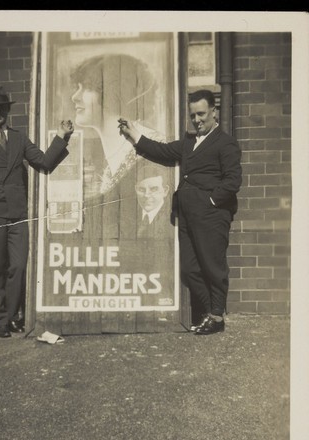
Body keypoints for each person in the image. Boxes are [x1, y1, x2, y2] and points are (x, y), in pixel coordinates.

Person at [119, 89, 242, 335]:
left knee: (213, 267)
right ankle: (210, 313)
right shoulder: (188, 142)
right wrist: (135, 137)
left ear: (214, 112)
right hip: (186, 215)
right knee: (189, 268)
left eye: (202, 114)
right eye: (193, 115)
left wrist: (209, 201)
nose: (197, 120)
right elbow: (162, 151)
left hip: (211, 215)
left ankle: (216, 317)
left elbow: (233, 181)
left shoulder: (225, 143)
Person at [0, 86, 74, 338]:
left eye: (3, 108)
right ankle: (1, 321)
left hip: (19, 214)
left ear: (8, 110)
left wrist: (62, 136)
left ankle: (12, 317)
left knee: (18, 267)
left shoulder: (19, 139)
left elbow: (43, 162)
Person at [70, 53, 165, 197]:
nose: (75, 97)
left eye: (87, 88)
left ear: (112, 93)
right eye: (78, 88)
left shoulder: (151, 147)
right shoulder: (117, 156)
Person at [134, 165, 171, 238]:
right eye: (141, 189)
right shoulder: (127, 218)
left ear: (165, 191)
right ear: (136, 189)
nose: (146, 195)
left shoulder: (173, 220)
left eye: (153, 189)